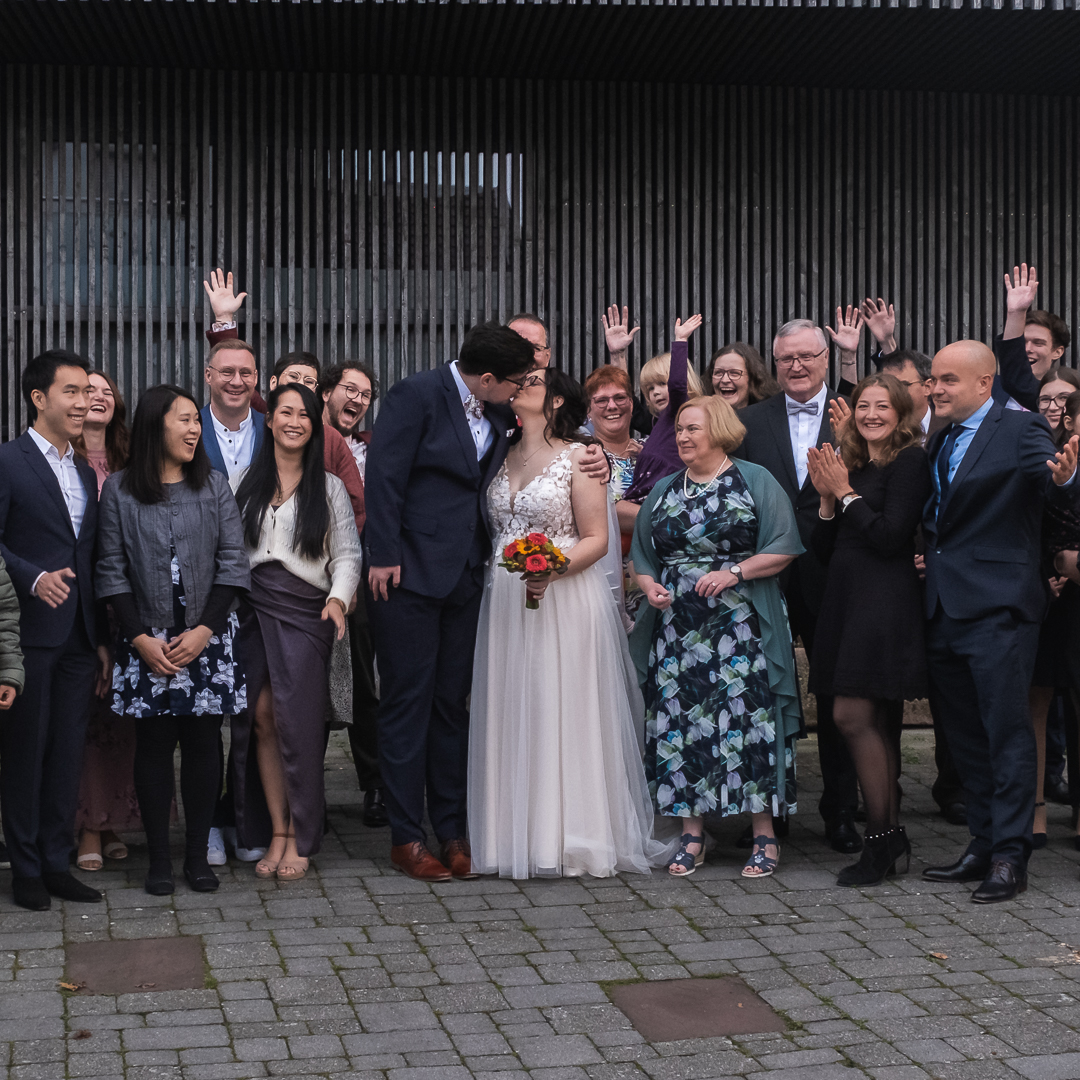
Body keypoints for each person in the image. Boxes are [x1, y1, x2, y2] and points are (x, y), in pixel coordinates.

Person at [364, 322, 610, 881]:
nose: (525, 388)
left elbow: (555, 442)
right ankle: (407, 837)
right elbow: (383, 474)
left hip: (470, 580)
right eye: (518, 380)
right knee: (408, 704)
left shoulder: (500, 411)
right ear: (492, 378)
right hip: (405, 576)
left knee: (452, 705)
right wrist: (383, 552)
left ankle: (453, 830)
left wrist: (596, 457)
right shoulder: (418, 394)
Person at [469, 368, 666, 877]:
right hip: (505, 599)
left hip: (564, 596)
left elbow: (597, 538)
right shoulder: (500, 452)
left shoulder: (580, 457)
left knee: (563, 706)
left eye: (531, 382)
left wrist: (552, 570)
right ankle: (515, 834)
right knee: (516, 706)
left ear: (556, 401)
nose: (520, 386)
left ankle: (574, 834)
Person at [921, 340, 1080, 903]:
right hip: (943, 609)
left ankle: (1011, 857)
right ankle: (982, 844)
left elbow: (1053, 488)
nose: (934, 388)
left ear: (985, 383)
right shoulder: (940, 438)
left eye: (946, 380)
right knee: (965, 738)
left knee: (1006, 734)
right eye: (933, 379)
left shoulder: (1021, 430)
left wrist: (1065, 479)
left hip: (1000, 610)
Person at [629, 396, 803, 877]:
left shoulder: (755, 480)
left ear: (720, 430)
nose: (682, 437)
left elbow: (784, 546)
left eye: (692, 428)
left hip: (742, 624)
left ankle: (764, 836)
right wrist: (651, 587)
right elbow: (642, 556)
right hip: (678, 632)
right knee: (680, 725)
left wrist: (735, 571)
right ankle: (691, 835)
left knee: (750, 721)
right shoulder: (665, 488)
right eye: (679, 429)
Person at [97, 385, 250, 896]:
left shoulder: (214, 486)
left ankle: (196, 857)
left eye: (195, 422)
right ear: (154, 425)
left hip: (207, 634)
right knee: (155, 745)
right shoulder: (119, 490)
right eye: (183, 420)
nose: (194, 429)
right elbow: (111, 570)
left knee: (205, 742)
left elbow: (234, 562)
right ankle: (158, 860)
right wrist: (139, 637)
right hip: (148, 640)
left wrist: (206, 629)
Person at [735, 319, 861, 854]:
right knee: (764, 692)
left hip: (835, 573)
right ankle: (771, 808)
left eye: (807, 356)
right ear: (775, 361)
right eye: (786, 358)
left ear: (826, 359)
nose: (797, 366)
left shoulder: (856, 414)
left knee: (835, 691)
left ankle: (840, 811)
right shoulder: (746, 421)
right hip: (766, 573)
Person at [231, 384, 362, 881]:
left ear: (315, 424)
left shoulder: (327, 486)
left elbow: (348, 555)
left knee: (299, 726)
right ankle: (278, 831)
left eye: (303, 414)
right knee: (261, 718)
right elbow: (228, 550)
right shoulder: (243, 480)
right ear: (269, 420)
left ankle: (302, 835)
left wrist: (337, 599)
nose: (293, 421)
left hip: (308, 612)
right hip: (252, 609)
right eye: (284, 412)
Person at [806, 374, 932, 885]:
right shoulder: (850, 460)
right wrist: (827, 500)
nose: (871, 414)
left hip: (885, 602)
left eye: (883, 406)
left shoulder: (910, 461)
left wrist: (846, 493)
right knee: (872, 721)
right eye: (864, 406)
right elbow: (823, 548)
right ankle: (889, 839)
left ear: (902, 414)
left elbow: (888, 536)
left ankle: (881, 838)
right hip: (846, 599)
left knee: (851, 714)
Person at [0, 350, 110, 911]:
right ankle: (23, 869)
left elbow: (87, 555)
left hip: (77, 638)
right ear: (39, 398)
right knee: (26, 752)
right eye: (71, 391)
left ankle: (55, 861)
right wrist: (33, 575)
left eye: (88, 390)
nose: (85, 401)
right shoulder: (9, 461)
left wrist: (102, 639)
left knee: (68, 753)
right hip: (28, 633)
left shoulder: (83, 469)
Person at [73, 371, 139, 872]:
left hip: (129, 608)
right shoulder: (60, 460)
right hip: (78, 604)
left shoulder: (131, 462)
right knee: (88, 717)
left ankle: (115, 820)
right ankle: (87, 827)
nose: (98, 396)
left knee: (121, 720)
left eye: (106, 390)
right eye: (86, 389)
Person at [321, 360, 384, 826]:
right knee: (313, 683)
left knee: (363, 683)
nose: (358, 400)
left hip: (366, 578)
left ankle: (376, 785)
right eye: (349, 389)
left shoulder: (372, 448)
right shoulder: (299, 438)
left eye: (365, 394)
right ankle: (306, 790)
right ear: (326, 393)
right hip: (308, 575)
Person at [622, 318, 706, 505]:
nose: (656, 392)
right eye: (650, 389)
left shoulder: (679, 412)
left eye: (662, 384)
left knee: (618, 510)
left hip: (665, 499)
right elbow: (630, 404)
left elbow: (677, 386)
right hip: (647, 495)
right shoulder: (660, 422)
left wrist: (681, 340)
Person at [707, 343, 779, 410]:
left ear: (752, 379)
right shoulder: (701, 420)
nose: (724, 380)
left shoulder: (768, 419)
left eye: (734, 373)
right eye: (718, 373)